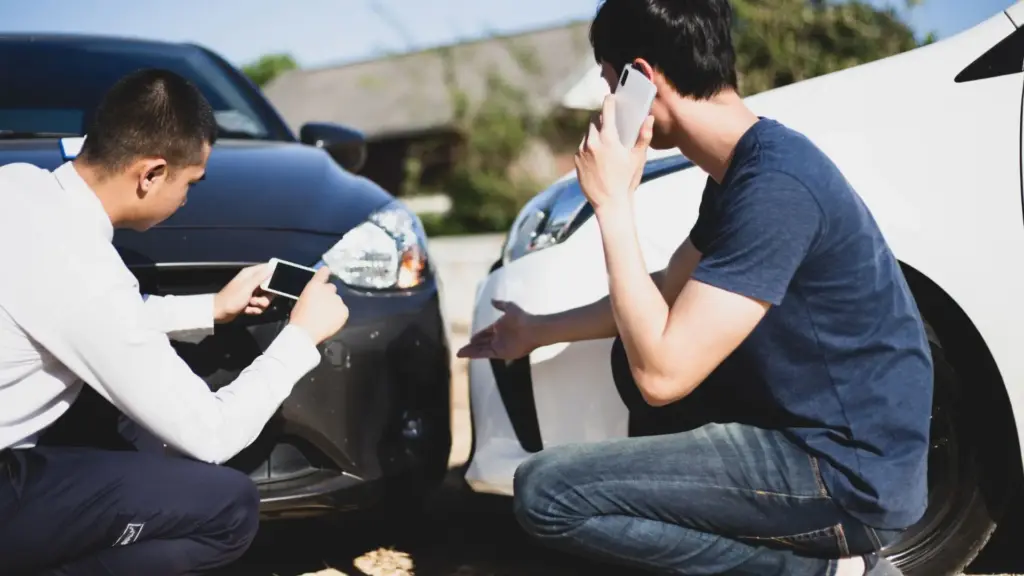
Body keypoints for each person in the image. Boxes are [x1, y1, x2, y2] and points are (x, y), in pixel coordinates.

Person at [457, 1, 933, 574]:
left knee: (546, 493)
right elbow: (665, 288)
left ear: (641, 77)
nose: (608, 106)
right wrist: (536, 330)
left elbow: (662, 376)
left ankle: (830, 572)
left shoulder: (775, 187)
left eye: (610, 85)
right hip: (829, 445)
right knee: (623, 363)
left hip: (845, 475)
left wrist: (612, 203)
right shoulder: (750, 165)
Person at [0, 69, 350, 576]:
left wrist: (211, 306)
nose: (187, 199)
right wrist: (302, 336)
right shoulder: (85, 270)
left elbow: (85, 314)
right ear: (150, 174)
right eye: (190, 182)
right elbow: (211, 434)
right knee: (227, 508)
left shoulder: (19, 185)